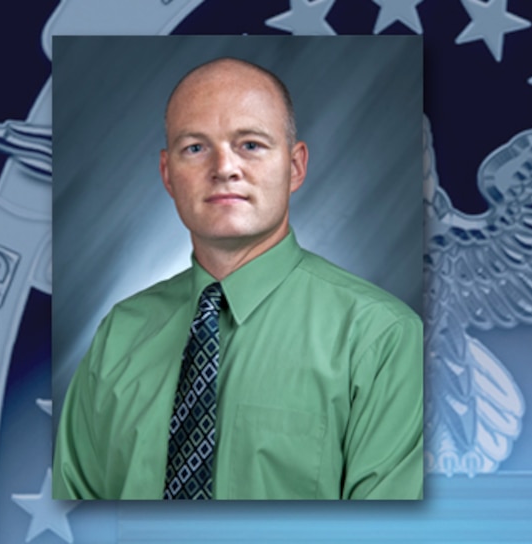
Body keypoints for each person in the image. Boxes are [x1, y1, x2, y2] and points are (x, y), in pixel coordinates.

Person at [53, 57, 423, 500]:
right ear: (168, 173)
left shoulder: (380, 336)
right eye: (195, 147)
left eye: (250, 144)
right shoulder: (120, 333)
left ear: (296, 166)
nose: (224, 167)